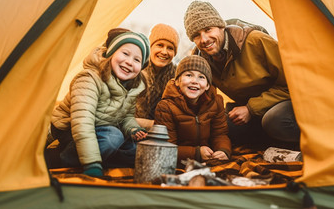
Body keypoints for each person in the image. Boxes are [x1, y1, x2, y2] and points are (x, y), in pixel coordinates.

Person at [183, 0, 300, 150]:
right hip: (251, 113)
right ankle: (271, 144)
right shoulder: (201, 60)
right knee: (220, 128)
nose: (204, 39)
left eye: (208, 29)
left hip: (286, 104)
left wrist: (250, 109)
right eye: (196, 35)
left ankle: (308, 145)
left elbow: (293, 83)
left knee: (274, 120)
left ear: (221, 26)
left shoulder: (256, 41)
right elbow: (205, 101)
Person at [48, 28, 150, 177]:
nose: (129, 62)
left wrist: (133, 129)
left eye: (137, 60)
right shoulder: (89, 79)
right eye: (125, 53)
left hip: (99, 130)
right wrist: (92, 163)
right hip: (71, 130)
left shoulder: (131, 87)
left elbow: (125, 117)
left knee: (136, 150)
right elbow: (82, 123)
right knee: (113, 136)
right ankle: (58, 159)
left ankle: (95, 160)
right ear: (111, 53)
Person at [154, 55, 231, 164]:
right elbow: (165, 148)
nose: (195, 81)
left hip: (207, 157)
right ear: (177, 82)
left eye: (201, 77)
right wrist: (196, 153)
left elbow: (220, 134)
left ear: (208, 85)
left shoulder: (216, 102)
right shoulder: (165, 107)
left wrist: (223, 150)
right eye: (189, 75)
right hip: (181, 158)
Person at [135, 23, 180, 131]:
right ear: (150, 47)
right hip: (132, 127)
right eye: (160, 45)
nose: (164, 52)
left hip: (164, 131)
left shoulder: (178, 76)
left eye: (170, 48)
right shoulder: (136, 69)